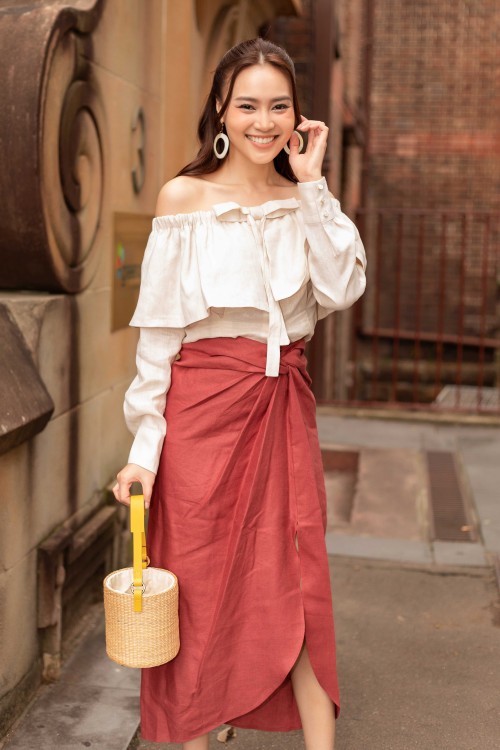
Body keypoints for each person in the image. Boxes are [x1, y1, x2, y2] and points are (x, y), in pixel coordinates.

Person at [113, 37, 366, 750]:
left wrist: (314, 184)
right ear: (222, 109)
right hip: (199, 424)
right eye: (248, 104)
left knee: (301, 582)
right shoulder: (183, 199)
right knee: (195, 596)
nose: (265, 121)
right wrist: (143, 455)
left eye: (279, 105)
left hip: (284, 410)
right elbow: (158, 343)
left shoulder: (302, 201)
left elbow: (343, 288)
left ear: (298, 117)